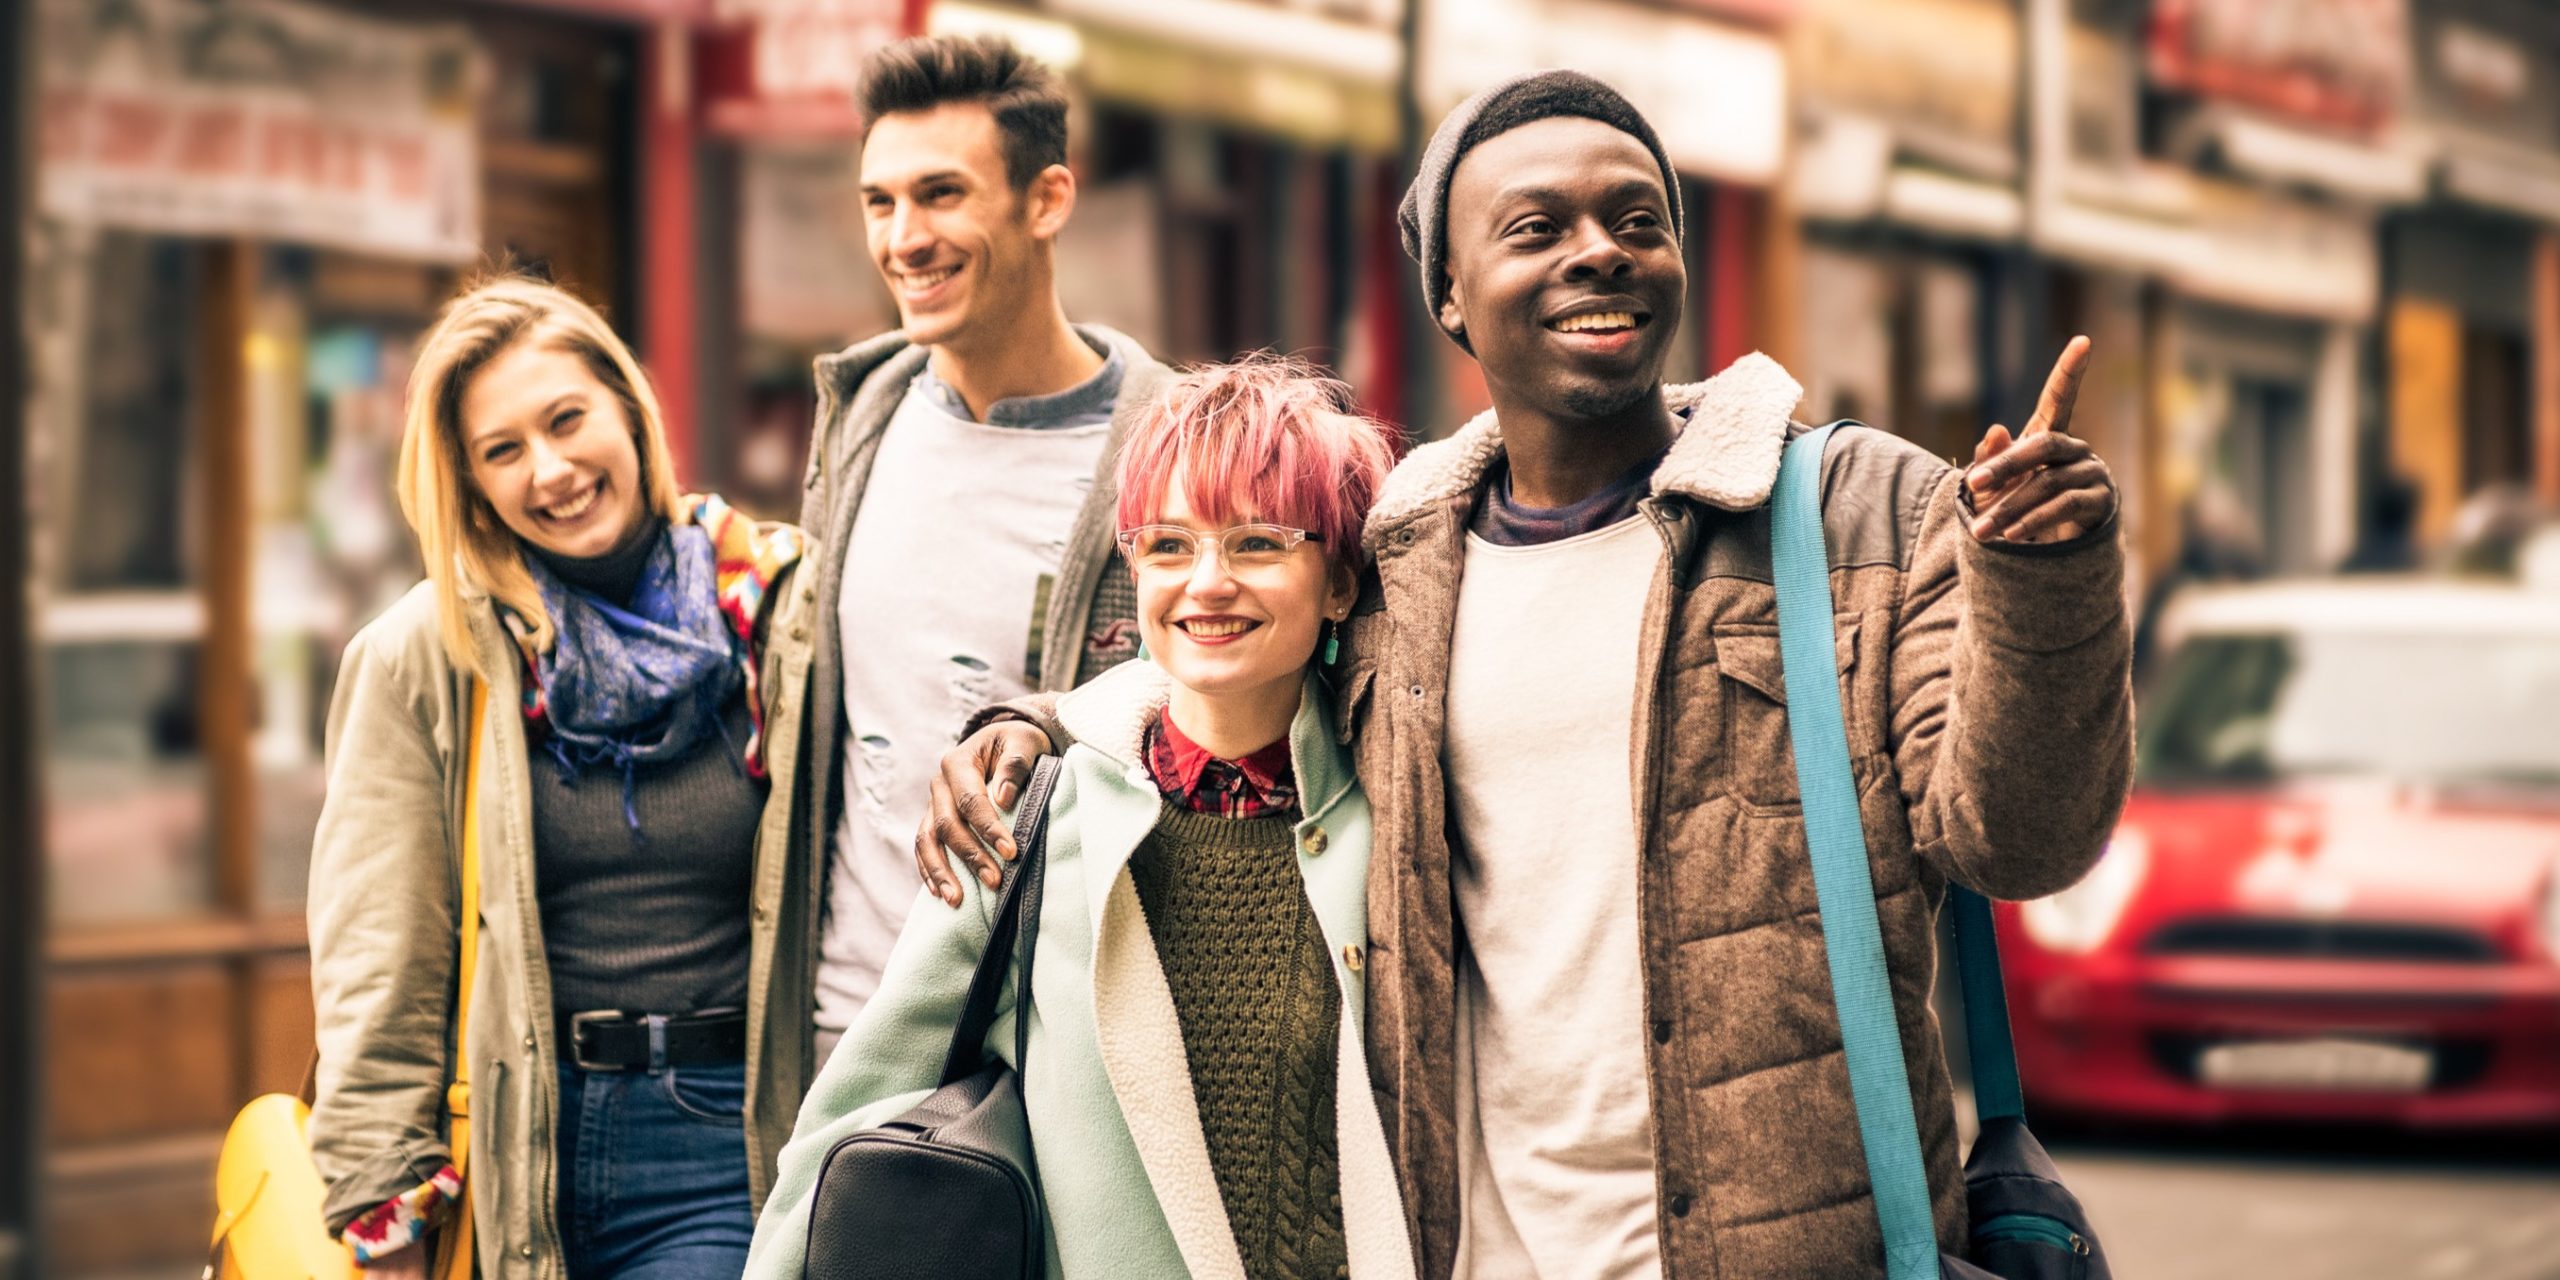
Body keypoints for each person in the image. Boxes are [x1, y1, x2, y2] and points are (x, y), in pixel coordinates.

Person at [923, 71, 2135, 1279]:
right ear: (1450, 293)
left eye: (1637, 220)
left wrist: (2043, 579)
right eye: (1537, 228)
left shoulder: (1857, 509)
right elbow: (1232, 669)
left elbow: (2021, 842)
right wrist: (1037, 726)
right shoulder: (1400, 559)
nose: (1599, 251)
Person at [746, 359, 1414, 1280]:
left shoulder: (1400, 812)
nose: (1207, 583)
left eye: (1258, 543)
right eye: (1168, 545)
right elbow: (846, 1127)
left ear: (1338, 582)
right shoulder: (1027, 820)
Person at [307, 277, 819, 1279]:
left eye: (567, 420)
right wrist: (383, 1203)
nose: (550, 469)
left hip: (722, 1141)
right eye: (503, 450)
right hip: (504, 1146)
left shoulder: (777, 611)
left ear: (629, 409)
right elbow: (377, 949)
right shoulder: (427, 654)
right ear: (471, 482)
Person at [799, 33, 1174, 1062]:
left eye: (941, 195)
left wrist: (1055, 725)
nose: (904, 238)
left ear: (1047, 199)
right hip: (845, 1022)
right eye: (880, 202)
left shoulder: (1167, 445)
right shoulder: (858, 416)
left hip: (1047, 1034)